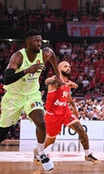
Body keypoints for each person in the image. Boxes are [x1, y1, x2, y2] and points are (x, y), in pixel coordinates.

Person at [0, 30, 63, 171]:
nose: (38, 44)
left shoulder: (44, 53)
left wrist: (57, 76)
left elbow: (52, 55)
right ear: (27, 43)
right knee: (2, 133)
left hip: (32, 95)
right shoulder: (17, 57)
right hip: (14, 96)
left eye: (40, 41)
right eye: (35, 41)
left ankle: (40, 152)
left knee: (41, 122)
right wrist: (26, 71)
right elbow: (7, 79)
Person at [43, 61, 99, 164]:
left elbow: (67, 95)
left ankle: (88, 154)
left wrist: (74, 107)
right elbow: (47, 81)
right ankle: (38, 151)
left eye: (69, 66)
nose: (68, 68)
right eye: (65, 66)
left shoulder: (68, 82)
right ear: (59, 69)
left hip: (65, 112)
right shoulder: (55, 79)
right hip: (52, 115)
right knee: (51, 140)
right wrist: (66, 84)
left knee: (82, 131)